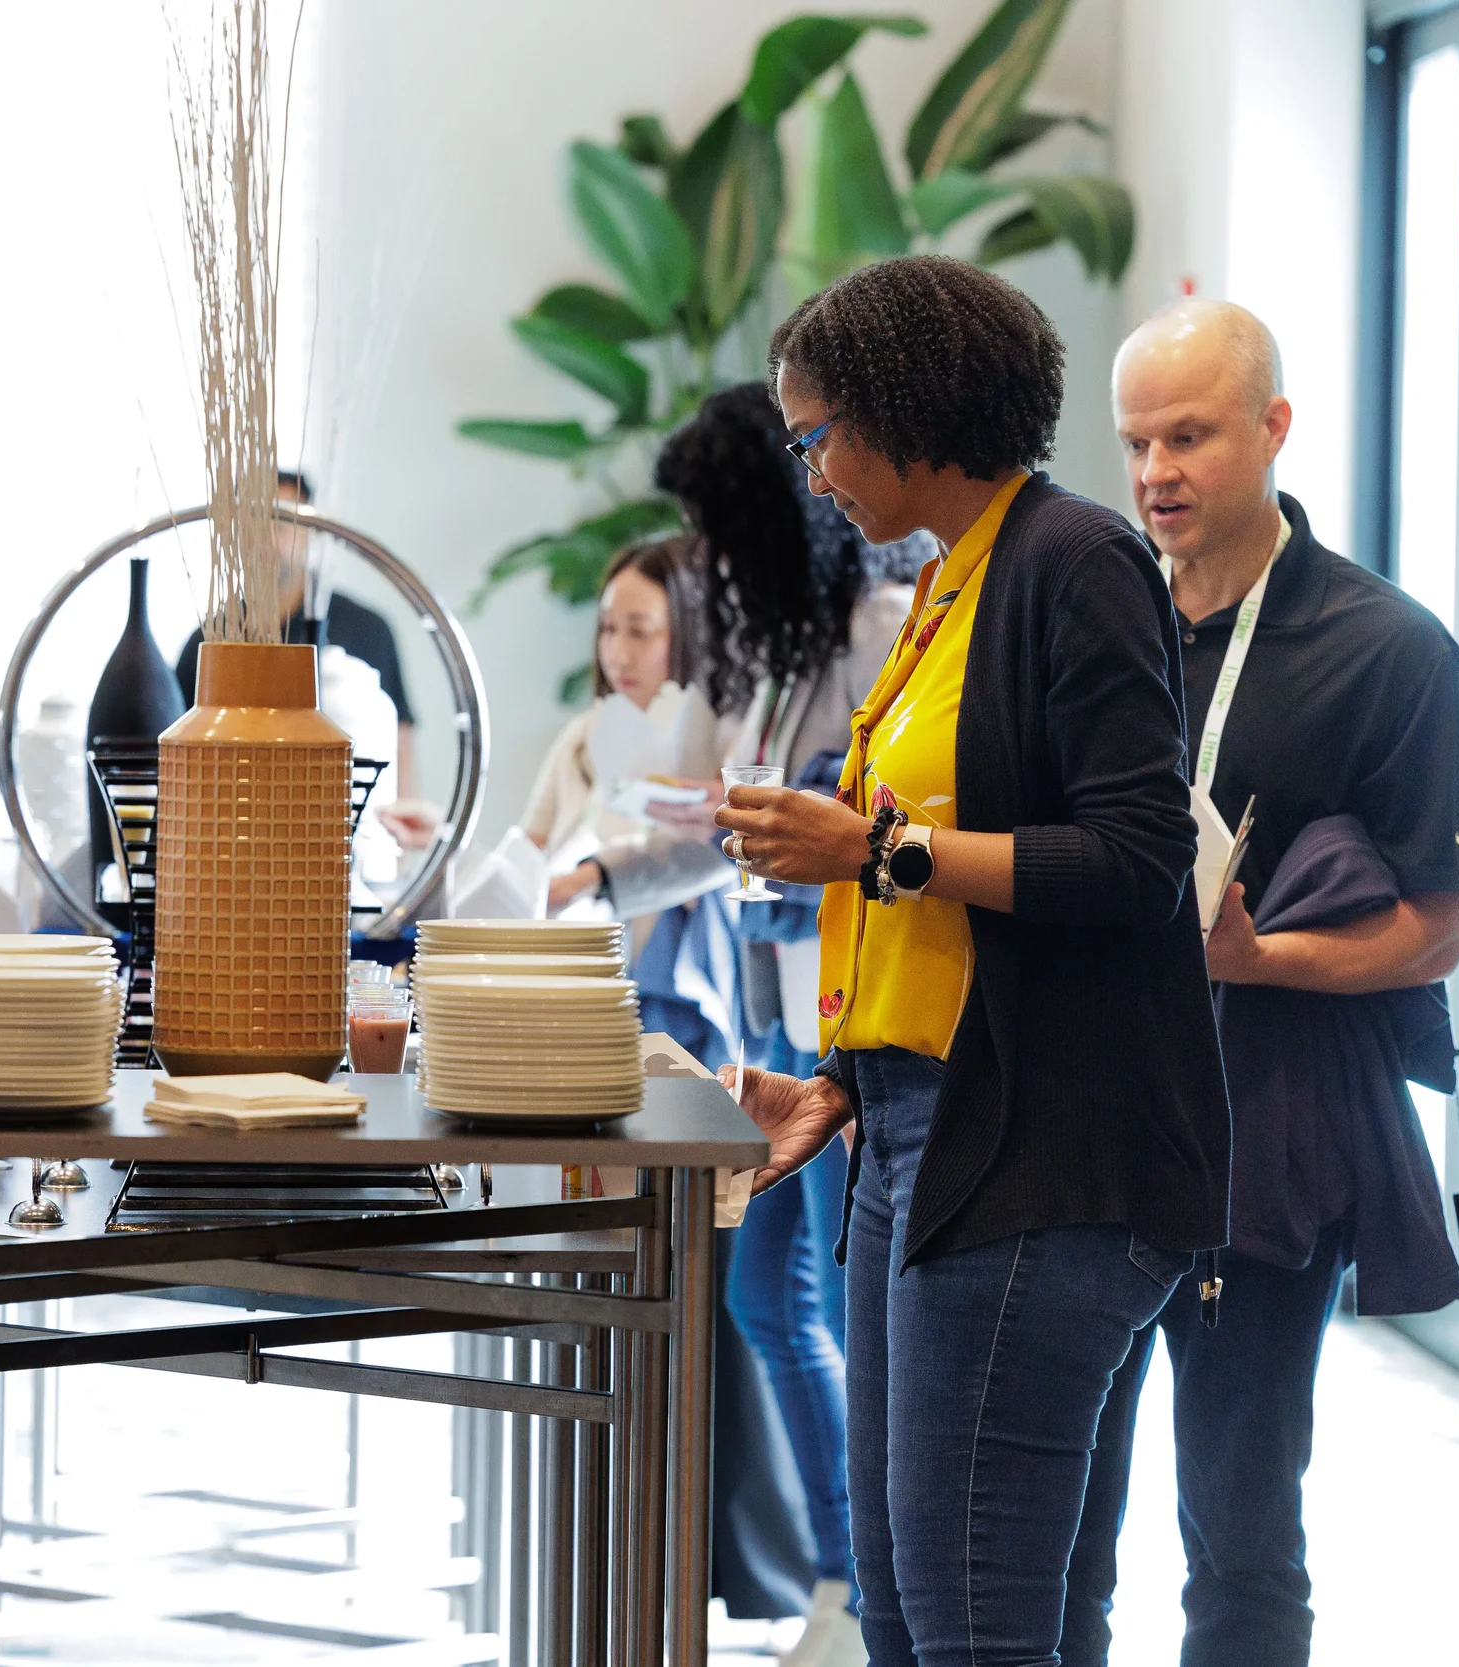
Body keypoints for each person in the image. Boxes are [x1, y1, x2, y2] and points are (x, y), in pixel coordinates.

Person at [714, 255, 1230, 1667]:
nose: (812, 471)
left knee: (971, 1610)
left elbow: (1133, 862)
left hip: (1035, 1144)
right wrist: (842, 1071)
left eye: (816, 435)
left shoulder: (1076, 561)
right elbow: (937, 879)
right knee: (907, 1588)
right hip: (909, 1124)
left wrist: (872, 848)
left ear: (898, 408)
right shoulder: (950, 579)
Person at [1061, 301, 1459, 1667]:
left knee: (1238, 1537)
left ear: (1273, 427)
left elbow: (1435, 926)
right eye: (1135, 442)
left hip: (1260, 1140)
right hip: (1081, 1137)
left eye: (1188, 435)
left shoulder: (1390, 650)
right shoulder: (1101, 618)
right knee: (1054, 1529)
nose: (1156, 471)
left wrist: (1255, 956)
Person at [558, 382, 923, 1666]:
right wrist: (604, 870)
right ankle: (845, 1583)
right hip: (790, 1031)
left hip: (856, 1034)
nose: (701, 557)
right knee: (778, 1304)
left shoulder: (880, 626)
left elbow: (873, 828)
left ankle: (854, 1589)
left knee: (800, 1309)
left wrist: (758, 824)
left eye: (713, 528)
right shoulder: (774, 647)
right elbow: (724, 823)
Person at [512, 534, 827, 1627]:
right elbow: (533, 851)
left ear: (687, 633)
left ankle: (787, 1570)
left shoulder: (715, 736)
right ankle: (663, 1549)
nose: (620, 647)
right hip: (590, 1024)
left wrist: (607, 864)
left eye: (641, 627)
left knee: (744, 1304)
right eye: (610, 626)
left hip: (695, 1034)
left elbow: (713, 873)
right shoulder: (586, 739)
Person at [173, 467, 418, 790]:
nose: (268, 539)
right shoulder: (211, 640)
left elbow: (398, 739)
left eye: (282, 523)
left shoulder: (366, 628)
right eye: (254, 523)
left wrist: (399, 820)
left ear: (309, 530)